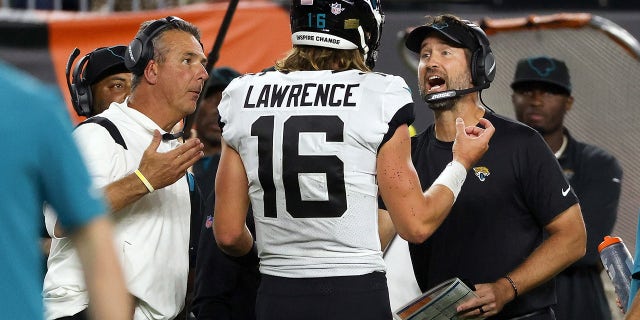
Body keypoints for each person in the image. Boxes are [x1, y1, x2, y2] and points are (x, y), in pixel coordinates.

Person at [212, 2, 495, 320]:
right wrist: (460, 163)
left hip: (278, 294)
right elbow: (416, 224)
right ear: (363, 30)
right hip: (354, 295)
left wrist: (272, 259)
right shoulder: (380, 93)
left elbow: (228, 233)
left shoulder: (241, 95)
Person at [393, 14, 587, 319]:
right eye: (426, 54)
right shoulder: (408, 154)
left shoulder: (521, 143)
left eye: (446, 52)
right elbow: (375, 239)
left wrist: (506, 288)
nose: (431, 62)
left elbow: (573, 237)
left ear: (479, 68)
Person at [43, 16, 206, 320]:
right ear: (152, 70)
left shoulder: (172, 147)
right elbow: (62, 218)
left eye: (202, 62)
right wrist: (143, 180)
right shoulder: (99, 133)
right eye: (188, 60)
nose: (202, 73)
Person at [0, 59, 131, 319]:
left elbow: (93, 241)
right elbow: (88, 237)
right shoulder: (35, 108)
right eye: (117, 85)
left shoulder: (35, 110)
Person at [511, 55, 623, 320]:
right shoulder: (486, 158)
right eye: (527, 91)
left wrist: (508, 233)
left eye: (550, 92)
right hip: (513, 308)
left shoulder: (598, 164)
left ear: (568, 101)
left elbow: (585, 244)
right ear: (513, 97)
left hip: (580, 307)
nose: (536, 100)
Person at [190, 66, 261, 320]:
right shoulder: (172, 165)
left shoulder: (251, 168)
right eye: (209, 98)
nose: (218, 109)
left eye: (225, 101)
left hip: (236, 297)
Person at [45, 45, 132, 240]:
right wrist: (145, 180)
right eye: (118, 85)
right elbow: (61, 221)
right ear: (85, 97)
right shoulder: (86, 139)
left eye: (136, 86)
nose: (130, 95)